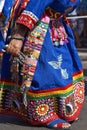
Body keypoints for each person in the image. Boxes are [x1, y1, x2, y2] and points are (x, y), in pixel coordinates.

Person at [0, 0, 85, 129]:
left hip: (56, 26)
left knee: (64, 67)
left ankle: (62, 110)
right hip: (40, 29)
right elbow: (36, 3)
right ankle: (43, 114)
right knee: (45, 72)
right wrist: (18, 35)